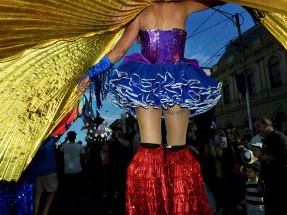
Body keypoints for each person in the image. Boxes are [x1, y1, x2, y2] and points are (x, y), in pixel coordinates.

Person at [78, 1, 223, 214]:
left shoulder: (140, 13)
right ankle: (183, 209)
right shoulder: (184, 6)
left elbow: (118, 52)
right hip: (177, 84)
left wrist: (91, 73)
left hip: (145, 84)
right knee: (178, 151)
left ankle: (151, 209)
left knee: (149, 150)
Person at [254, 117, 287, 215]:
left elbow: (285, 157)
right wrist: (260, 181)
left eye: (258, 126)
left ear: (266, 125)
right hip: (270, 185)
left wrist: (264, 157)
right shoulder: (266, 140)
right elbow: (264, 165)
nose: (257, 130)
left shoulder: (279, 137)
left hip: (282, 184)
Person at [34, 138, 59, 215]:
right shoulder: (50, 141)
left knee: (38, 194)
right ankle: (45, 212)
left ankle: (35, 213)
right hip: (50, 171)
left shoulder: (36, 144)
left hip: (38, 171)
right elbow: (60, 132)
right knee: (52, 191)